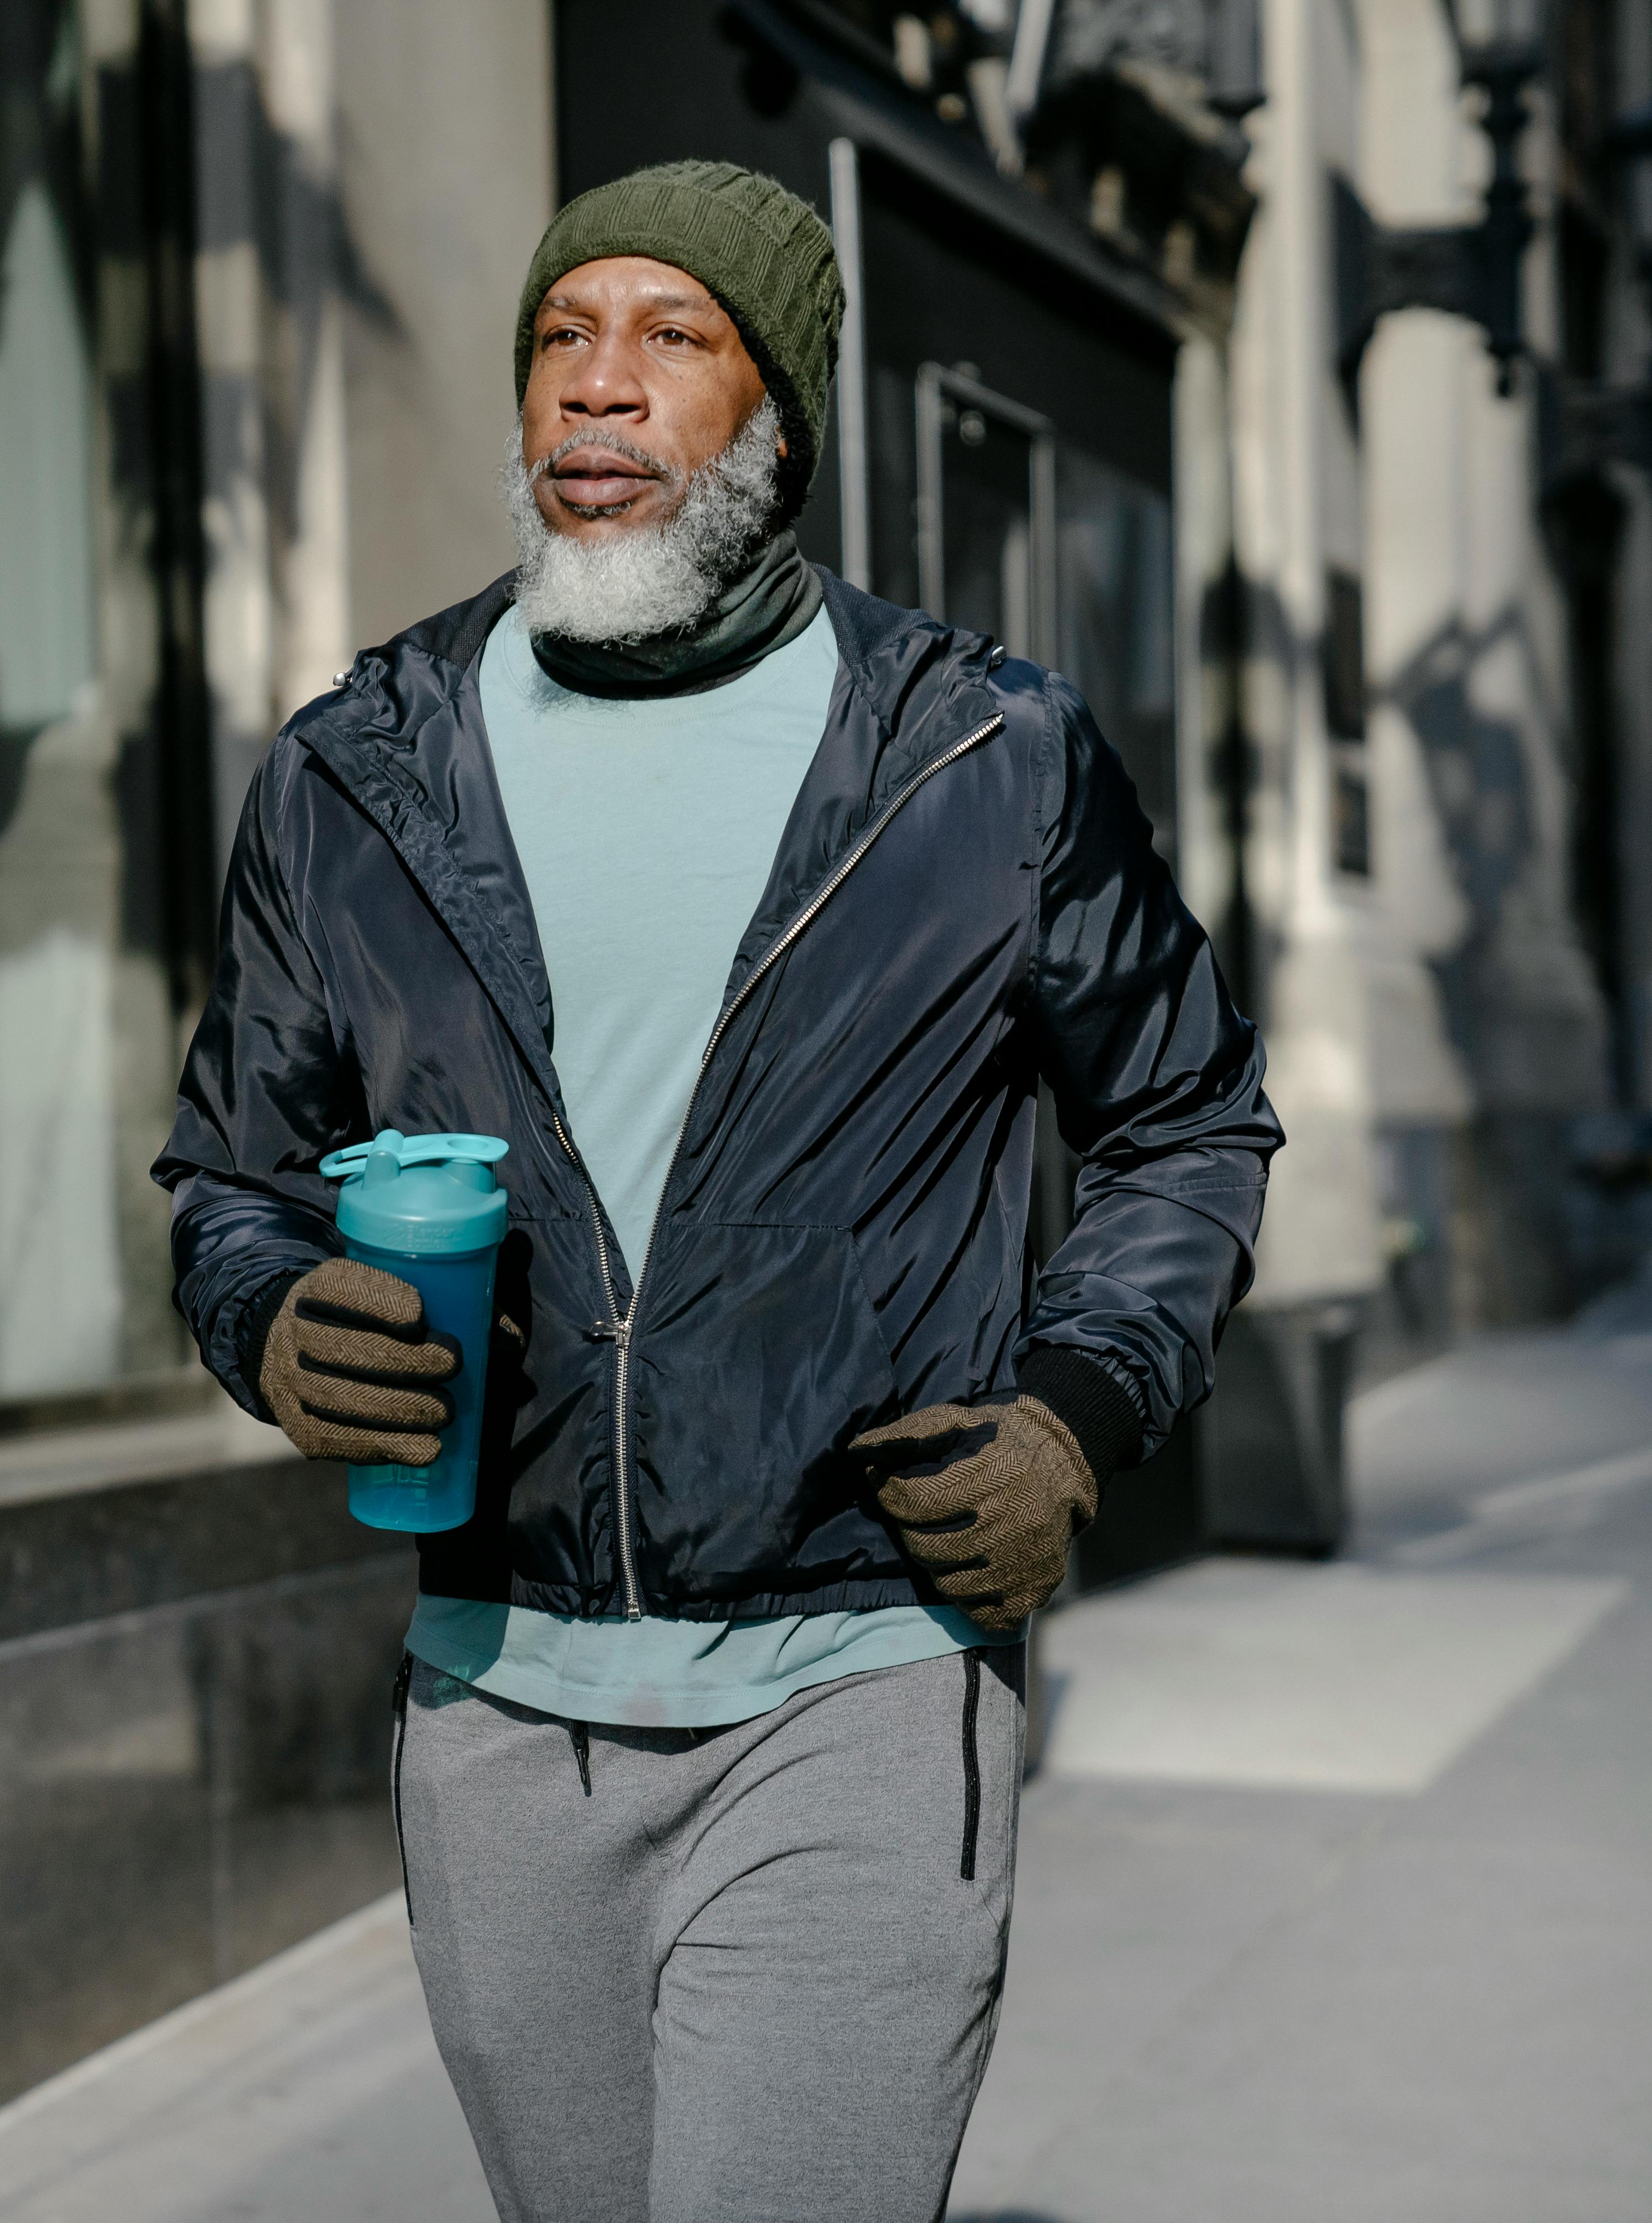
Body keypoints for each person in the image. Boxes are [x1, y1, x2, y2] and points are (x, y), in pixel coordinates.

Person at [152, 158, 1280, 2221]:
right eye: (563, 339)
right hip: (494, 1696)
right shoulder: (355, 771)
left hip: (857, 1674)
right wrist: (268, 1315)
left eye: (673, 340)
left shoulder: (983, 757)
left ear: (776, 422)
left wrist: (1078, 1411)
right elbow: (235, 1171)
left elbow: (1188, 1121)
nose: (600, 390)